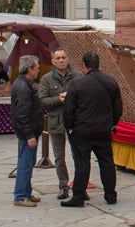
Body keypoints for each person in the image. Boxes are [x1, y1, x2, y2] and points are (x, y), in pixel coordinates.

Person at [62, 51, 122, 207]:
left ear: (83, 65)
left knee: (82, 163)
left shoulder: (77, 84)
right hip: (103, 130)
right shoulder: (111, 82)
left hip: (82, 130)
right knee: (107, 162)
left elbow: (69, 110)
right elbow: (118, 108)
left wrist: (69, 127)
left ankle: (79, 197)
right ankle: (110, 195)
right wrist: (111, 124)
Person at [38, 47, 80, 200]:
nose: (61, 60)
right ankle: (63, 186)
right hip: (56, 123)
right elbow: (42, 100)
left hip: (75, 123)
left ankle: (79, 186)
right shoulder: (46, 79)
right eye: (58, 58)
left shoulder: (77, 76)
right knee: (59, 157)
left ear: (68, 59)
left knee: (78, 156)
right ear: (53, 61)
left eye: (63, 57)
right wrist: (58, 99)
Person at [10, 55, 43, 207]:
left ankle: (26, 192)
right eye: (36, 68)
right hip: (27, 132)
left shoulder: (25, 84)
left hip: (30, 131)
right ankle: (20, 195)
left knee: (28, 162)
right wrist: (29, 134)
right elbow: (22, 114)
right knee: (25, 163)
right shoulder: (23, 87)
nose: (38, 70)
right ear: (29, 69)